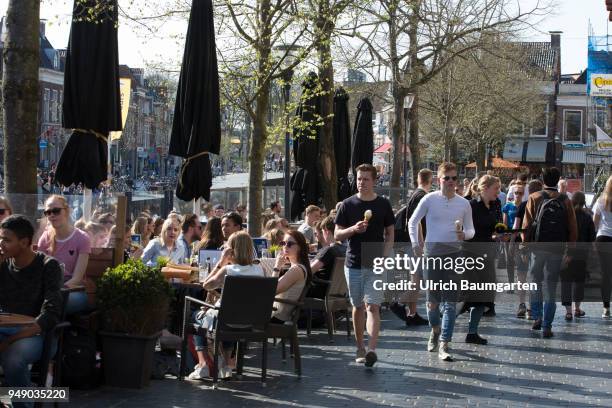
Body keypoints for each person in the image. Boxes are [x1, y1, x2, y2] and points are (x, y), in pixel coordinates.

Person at [408, 162, 475, 361]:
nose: (451, 182)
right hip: (432, 255)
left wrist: (465, 234)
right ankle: (435, 329)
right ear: (439, 180)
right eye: (447, 178)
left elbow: (472, 230)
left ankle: (445, 343)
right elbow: (412, 221)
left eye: (454, 178)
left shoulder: (464, 203)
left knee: (450, 303)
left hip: (454, 255)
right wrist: (415, 244)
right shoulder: (429, 199)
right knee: (432, 303)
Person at [335, 164, 395, 367]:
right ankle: (360, 346)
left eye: (366, 179)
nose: (361, 183)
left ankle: (372, 349)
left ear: (374, 181)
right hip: (353, 262)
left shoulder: (383, 204)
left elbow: (390, 234)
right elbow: (337, 235)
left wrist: (385, 256)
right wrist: (353, 229)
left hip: (375, 260)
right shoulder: (347, 204)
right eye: (359, 179)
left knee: (373, 306)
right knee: (358, 305)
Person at [0, 215, 63, 406]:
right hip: (6, 329)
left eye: (6, 240)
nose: (1, 244)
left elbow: (50, 315)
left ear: (24, 242)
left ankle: (22, 404)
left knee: (12, 359)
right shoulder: (3, 264)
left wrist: (10, 341)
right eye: (0, 238)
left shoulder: (48, 266)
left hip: (38, 334)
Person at [188, 231, 265, 380]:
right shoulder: (259, 270)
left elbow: (206, 285)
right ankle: (225, 367)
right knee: (231, 315)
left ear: (231, 250)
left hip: (224, 322)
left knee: (195, 316)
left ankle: (203, 365)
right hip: (250, 322)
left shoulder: (227, 270)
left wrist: (221, 262)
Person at [522, 167, 577, 338]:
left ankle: (537, 316)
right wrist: (570, 251)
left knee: (535, 282)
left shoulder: (534, 197)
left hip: (537, 248)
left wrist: (523, 247)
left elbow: (526, 226)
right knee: (551, 286)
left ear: (543, 180)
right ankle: (547, 325)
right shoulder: (565, 200)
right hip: (557, 249)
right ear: (557, 180)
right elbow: (573, 228)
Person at [462, 175, 502, 346]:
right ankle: (444, 322)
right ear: (485, 188)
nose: (498, 192)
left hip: (487, 255)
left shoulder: (493, 205)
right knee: (468, 296)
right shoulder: (471, 206)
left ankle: (472, 332)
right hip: (471, 256)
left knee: (484, 295)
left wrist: (501, 234)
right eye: (496, 188)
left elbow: (494, 227)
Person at [390, 168, 433, 326]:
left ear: (418, 179)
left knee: (415, 278)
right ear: (431, 180)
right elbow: (415, 223)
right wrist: (420, 244)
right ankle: (398, 303)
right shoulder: (421, 196)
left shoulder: (415, 195)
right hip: (414, 244)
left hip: (409, 243)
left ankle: (412, 314)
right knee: (417, 279)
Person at [37, 195, 91, 315]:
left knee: (53, 303)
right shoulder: (45, 238)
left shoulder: (82, 238)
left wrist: (55, 291)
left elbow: (77, 278)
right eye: (48, 212)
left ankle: (47, 332)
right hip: (49, 291)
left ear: (66, 211)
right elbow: (38, 270)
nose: (51, 215)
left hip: (74, 291)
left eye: (56, 211)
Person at [561, 191, 595, 320]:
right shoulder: (587, 217)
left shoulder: (566, 216)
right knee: (579, 282)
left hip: (567, 252)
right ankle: (577, 308)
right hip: (582, 254)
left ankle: (568, 311)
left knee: (566, 281)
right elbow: (592, 237)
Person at [513, 179, 543, 318]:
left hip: (522, 245)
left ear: (528, 191)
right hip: (538, 246)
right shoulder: (544, 205)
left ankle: (521, 304)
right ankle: (532, 308)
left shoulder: (523, 205)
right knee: (535, 278)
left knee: (521, 276)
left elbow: (516, 227)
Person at [272, 230, 310, 323]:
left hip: (276, 317)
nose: (285, 246)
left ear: (300, 247)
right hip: (277, 314)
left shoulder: (296, 270)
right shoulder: (298, 267)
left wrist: (277, 267)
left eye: (289, 244)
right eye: (283, 243)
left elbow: (272, 290)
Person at [308, 216, 347, 299]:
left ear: (326, 231)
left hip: (321, 291)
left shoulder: (329, 250)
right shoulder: (345, 250)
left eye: (322, 231)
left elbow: (309, 271)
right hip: (337, 293)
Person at [593, 175, 612, 318]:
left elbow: (595, 221)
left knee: (605, 274)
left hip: (603, 237)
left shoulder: (601, 200)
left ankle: (606, 307)